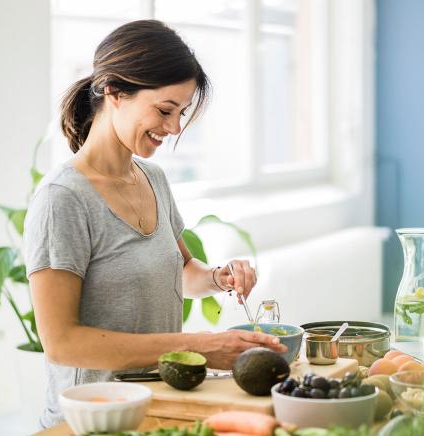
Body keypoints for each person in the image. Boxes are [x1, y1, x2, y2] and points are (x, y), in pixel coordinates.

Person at [24, 20, 286, 428]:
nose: (175, 128)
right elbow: (62, 343)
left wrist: (219, 277)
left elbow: (181, 273)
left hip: (158, 407)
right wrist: (199, 346)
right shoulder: (63, 198)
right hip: (92, 420)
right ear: (113, 91)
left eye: (181, 113)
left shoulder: (154, 179)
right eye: (165, 110)